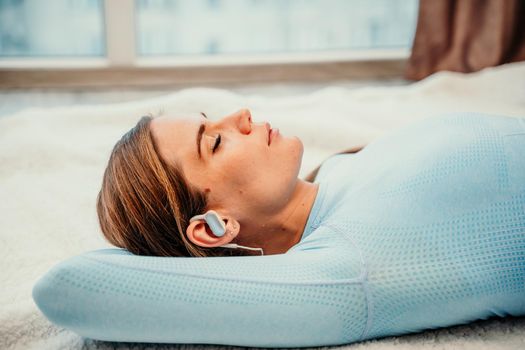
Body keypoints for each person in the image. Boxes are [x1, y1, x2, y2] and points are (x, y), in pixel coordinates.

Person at [97, 108, 362, 257]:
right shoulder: (350, 247)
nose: (242, 114)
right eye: (216, 143)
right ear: (214, 228)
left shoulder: (335, 171)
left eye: (210, 118)